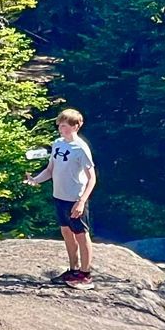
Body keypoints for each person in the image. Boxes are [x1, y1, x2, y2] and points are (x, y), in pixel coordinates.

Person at [27, 108, 96, 286]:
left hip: (75, 198)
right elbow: (50, 170)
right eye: (60, 125)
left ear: (76, 126)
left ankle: (85, 274)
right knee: (66, 232)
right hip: (59, 196)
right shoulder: (58, 143)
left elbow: (92, 178)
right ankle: (73, 269)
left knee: (81, 234)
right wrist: (35, 180)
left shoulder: (81, 148)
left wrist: (81, 202)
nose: (61, 129)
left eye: (65, 126)